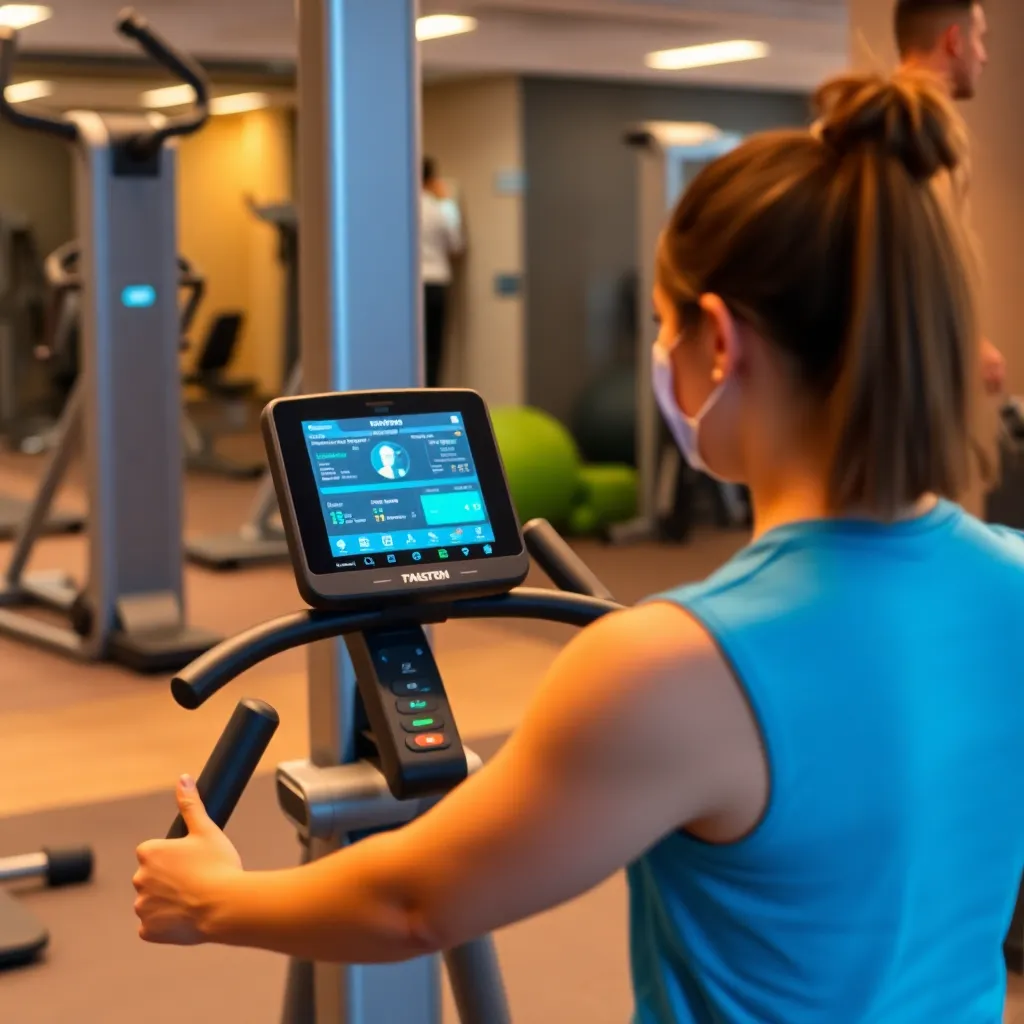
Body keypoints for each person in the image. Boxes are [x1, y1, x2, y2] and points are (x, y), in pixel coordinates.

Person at [134, 72, 1024, 1022]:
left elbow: (412, 906)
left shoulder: (675, 663)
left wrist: (212, 897)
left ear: (717, 343)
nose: (660, 352)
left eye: (662, 324)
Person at [895, 0, 1005, 397]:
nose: (984, 56)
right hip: (913, 372)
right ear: (954, 41)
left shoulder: (890, 119)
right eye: (979, 38)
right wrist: (967, 344)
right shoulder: (921, 128)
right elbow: (922, 255)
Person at [420, 156, 464, 388]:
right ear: (431, 179)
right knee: (433, 349)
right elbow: (456, 244)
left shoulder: (399, 208)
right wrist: (447, 201)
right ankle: (431, 395)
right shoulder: (439, 209)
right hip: (436, 283)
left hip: (409, 288)